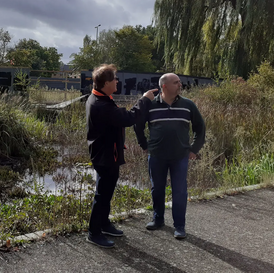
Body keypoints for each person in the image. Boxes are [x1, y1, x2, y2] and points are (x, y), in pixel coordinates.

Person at [86, 64, 157, 248]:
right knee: (102, 194)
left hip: (108, 152)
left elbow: (112, 123)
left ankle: (104, 224)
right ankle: (94, 233)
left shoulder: (100, 97)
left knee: (106, 192)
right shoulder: (101, 105)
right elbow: (128, 118)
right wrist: (145, 100)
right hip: (105, 156)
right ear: (107, 83)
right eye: (115, 79)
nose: (117, 81)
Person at [134, 73, 205, 239]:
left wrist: (194, 149)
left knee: (180, 191)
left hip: (180, 156)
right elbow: (138, 126)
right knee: (157, 189)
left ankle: (179, 226)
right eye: (176, 82)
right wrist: (144, 145)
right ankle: (157, 219)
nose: (180, 85)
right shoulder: (150, 105)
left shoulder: (188, 105)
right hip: (157, 155)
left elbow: (200, 128)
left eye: (179, 82)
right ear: (164, 86)